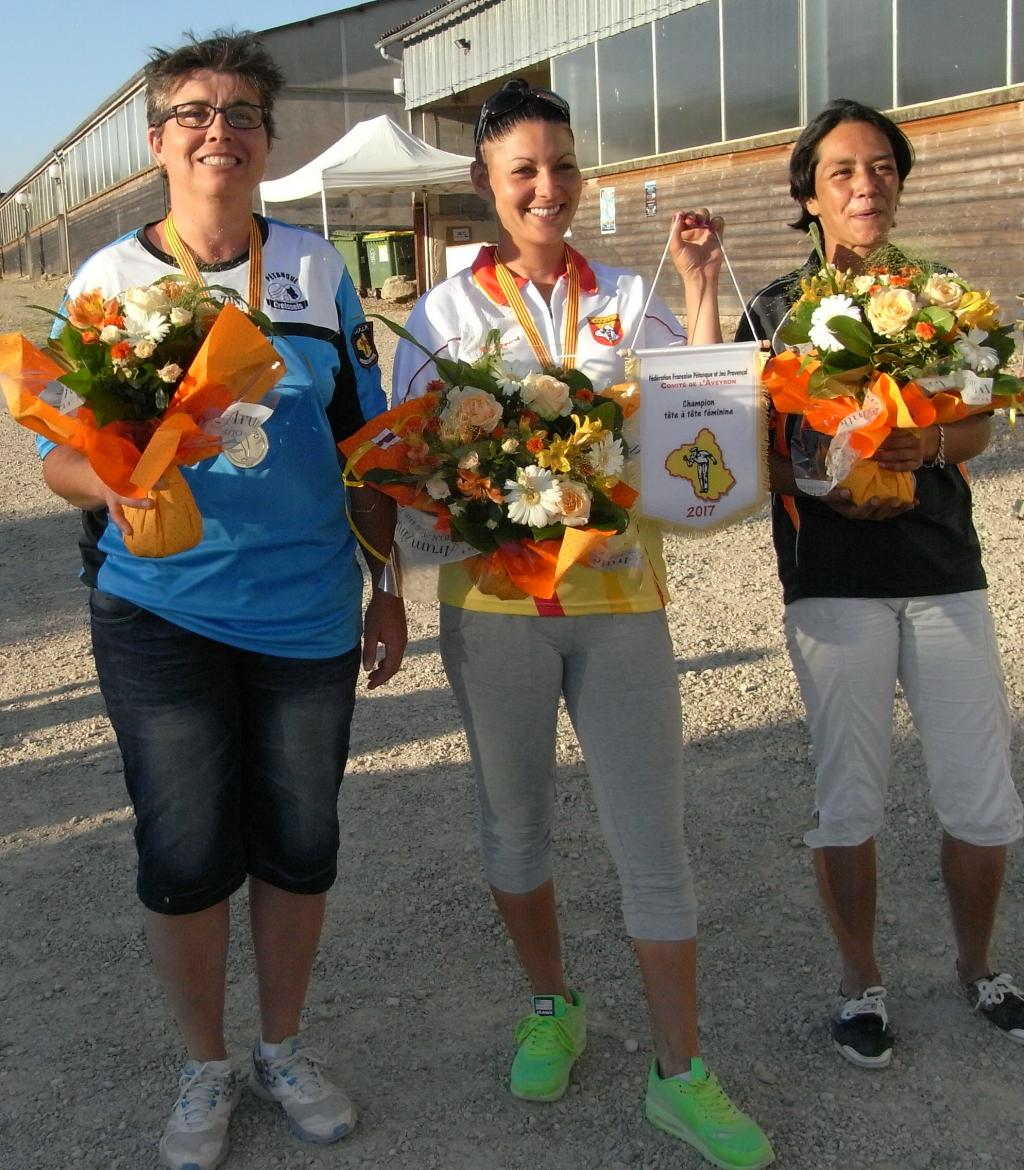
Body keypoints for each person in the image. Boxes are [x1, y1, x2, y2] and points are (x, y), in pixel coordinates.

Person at [38, 31, 407, 1170]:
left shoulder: (316, 266)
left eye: (240, 112)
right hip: (161, 612)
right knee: (187, 849)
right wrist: (114, 477)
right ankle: (204, 1069)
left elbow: (369, 445)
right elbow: (56, 456)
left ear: (264, 141)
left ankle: (280, 1048)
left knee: (300, 841)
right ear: (159, 144)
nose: (218, 129)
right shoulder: (109, 279)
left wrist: (388, 586)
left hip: (304, 610)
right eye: (194, 112)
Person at [392, 79, 774, 1170]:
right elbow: (422, 469)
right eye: (523, 171)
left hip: (620, 606)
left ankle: (680, 1075)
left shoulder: (626, 292)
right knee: (513, 826)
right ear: (485, 184)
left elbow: (695, 395)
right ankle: (552, 1004)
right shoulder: (444, 314)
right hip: (497, 612)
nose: (547, 188)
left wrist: (699, 283)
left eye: (561, 166)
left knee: (652, 842)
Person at [736, 98, 1024, 1069]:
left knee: (980, 796)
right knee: (847, 798)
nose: (865, 185)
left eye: (881, 169)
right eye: (842, 173)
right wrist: (823, 481)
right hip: (831, 576)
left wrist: (934, 440)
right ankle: (859, 982)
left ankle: (980, 966)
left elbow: (980, 422)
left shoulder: (945, 298)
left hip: (943, 565)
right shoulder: (773, 312)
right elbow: (739, 455)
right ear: (808, 196)